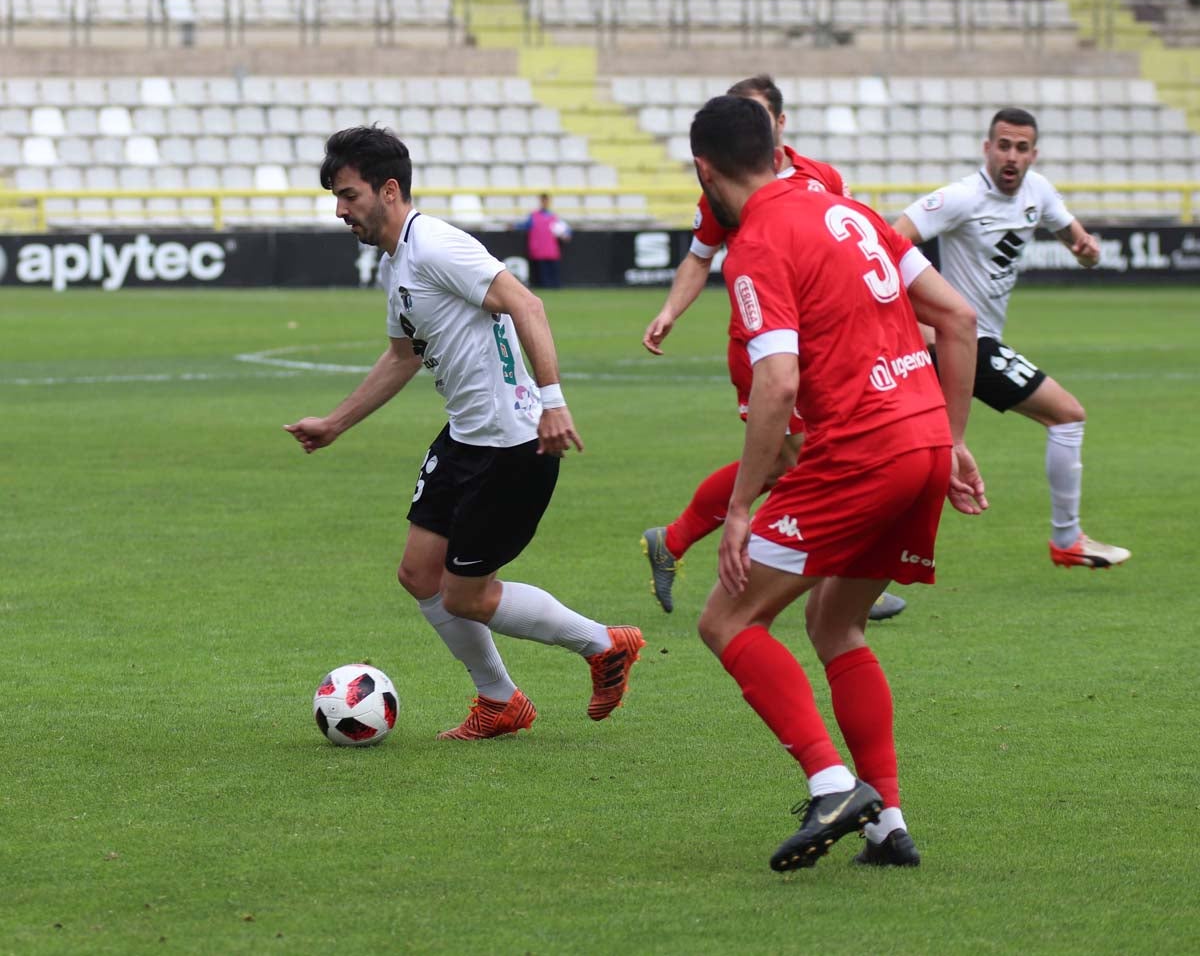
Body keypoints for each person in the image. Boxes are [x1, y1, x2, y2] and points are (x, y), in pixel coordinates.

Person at [689, 95, 986, 871]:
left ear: (705, 171)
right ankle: (887, 825)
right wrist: (952, 440)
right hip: (922, 437)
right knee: (835, 626)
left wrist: (743, 505)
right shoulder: (849, 211)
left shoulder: (756, 242)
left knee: (726, 620)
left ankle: (832, 786)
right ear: (778, 145)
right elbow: (957, 320)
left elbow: (778, 384)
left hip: (860, 452)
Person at [285, 126, 644, 740]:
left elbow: (526, 304)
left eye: (347, 195)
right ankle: (501, 701)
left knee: (465, 596)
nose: (340, 211)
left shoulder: (436, 246)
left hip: (512, 447)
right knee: (419, 575)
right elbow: (402, 355)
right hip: (466, 439)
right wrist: (337, 423)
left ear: (389, 190)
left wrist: (553, 403)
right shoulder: (398, 264)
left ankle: (604, 645)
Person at [641, 75, 907, 621]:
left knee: (787, 463)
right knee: (804, 459)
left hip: (826, 344)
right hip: (764, 344)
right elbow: (699, 256)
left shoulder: (823, 178)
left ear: (779, 124)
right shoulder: (722, 189)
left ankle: (673, 538)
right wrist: (670, 310)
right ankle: (844, 573)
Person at [892, 107, 1130, 569]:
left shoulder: (1038, 191)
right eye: (1003, 145)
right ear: (987, 148)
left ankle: (863, 569)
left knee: (914, 457)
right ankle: (1068, 540)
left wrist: (1085, 251)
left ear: (1033, 155)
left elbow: (1077, 241)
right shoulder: (960, 197)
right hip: (963, 342)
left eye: (1021, 148)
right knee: (1067, 415)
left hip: (972, 341)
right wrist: (918, 318)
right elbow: (889, 240)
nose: (1011, 156)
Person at [516, 193, 571, 288]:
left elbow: (565, 230)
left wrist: (566, 235)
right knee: (543, 276)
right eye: (543, 200)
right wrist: (514, 226)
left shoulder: (553, 217)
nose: (544, 202)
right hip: (539, 250)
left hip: (551, 250)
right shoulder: (534, 216)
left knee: (553, 275)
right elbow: (524, 225)